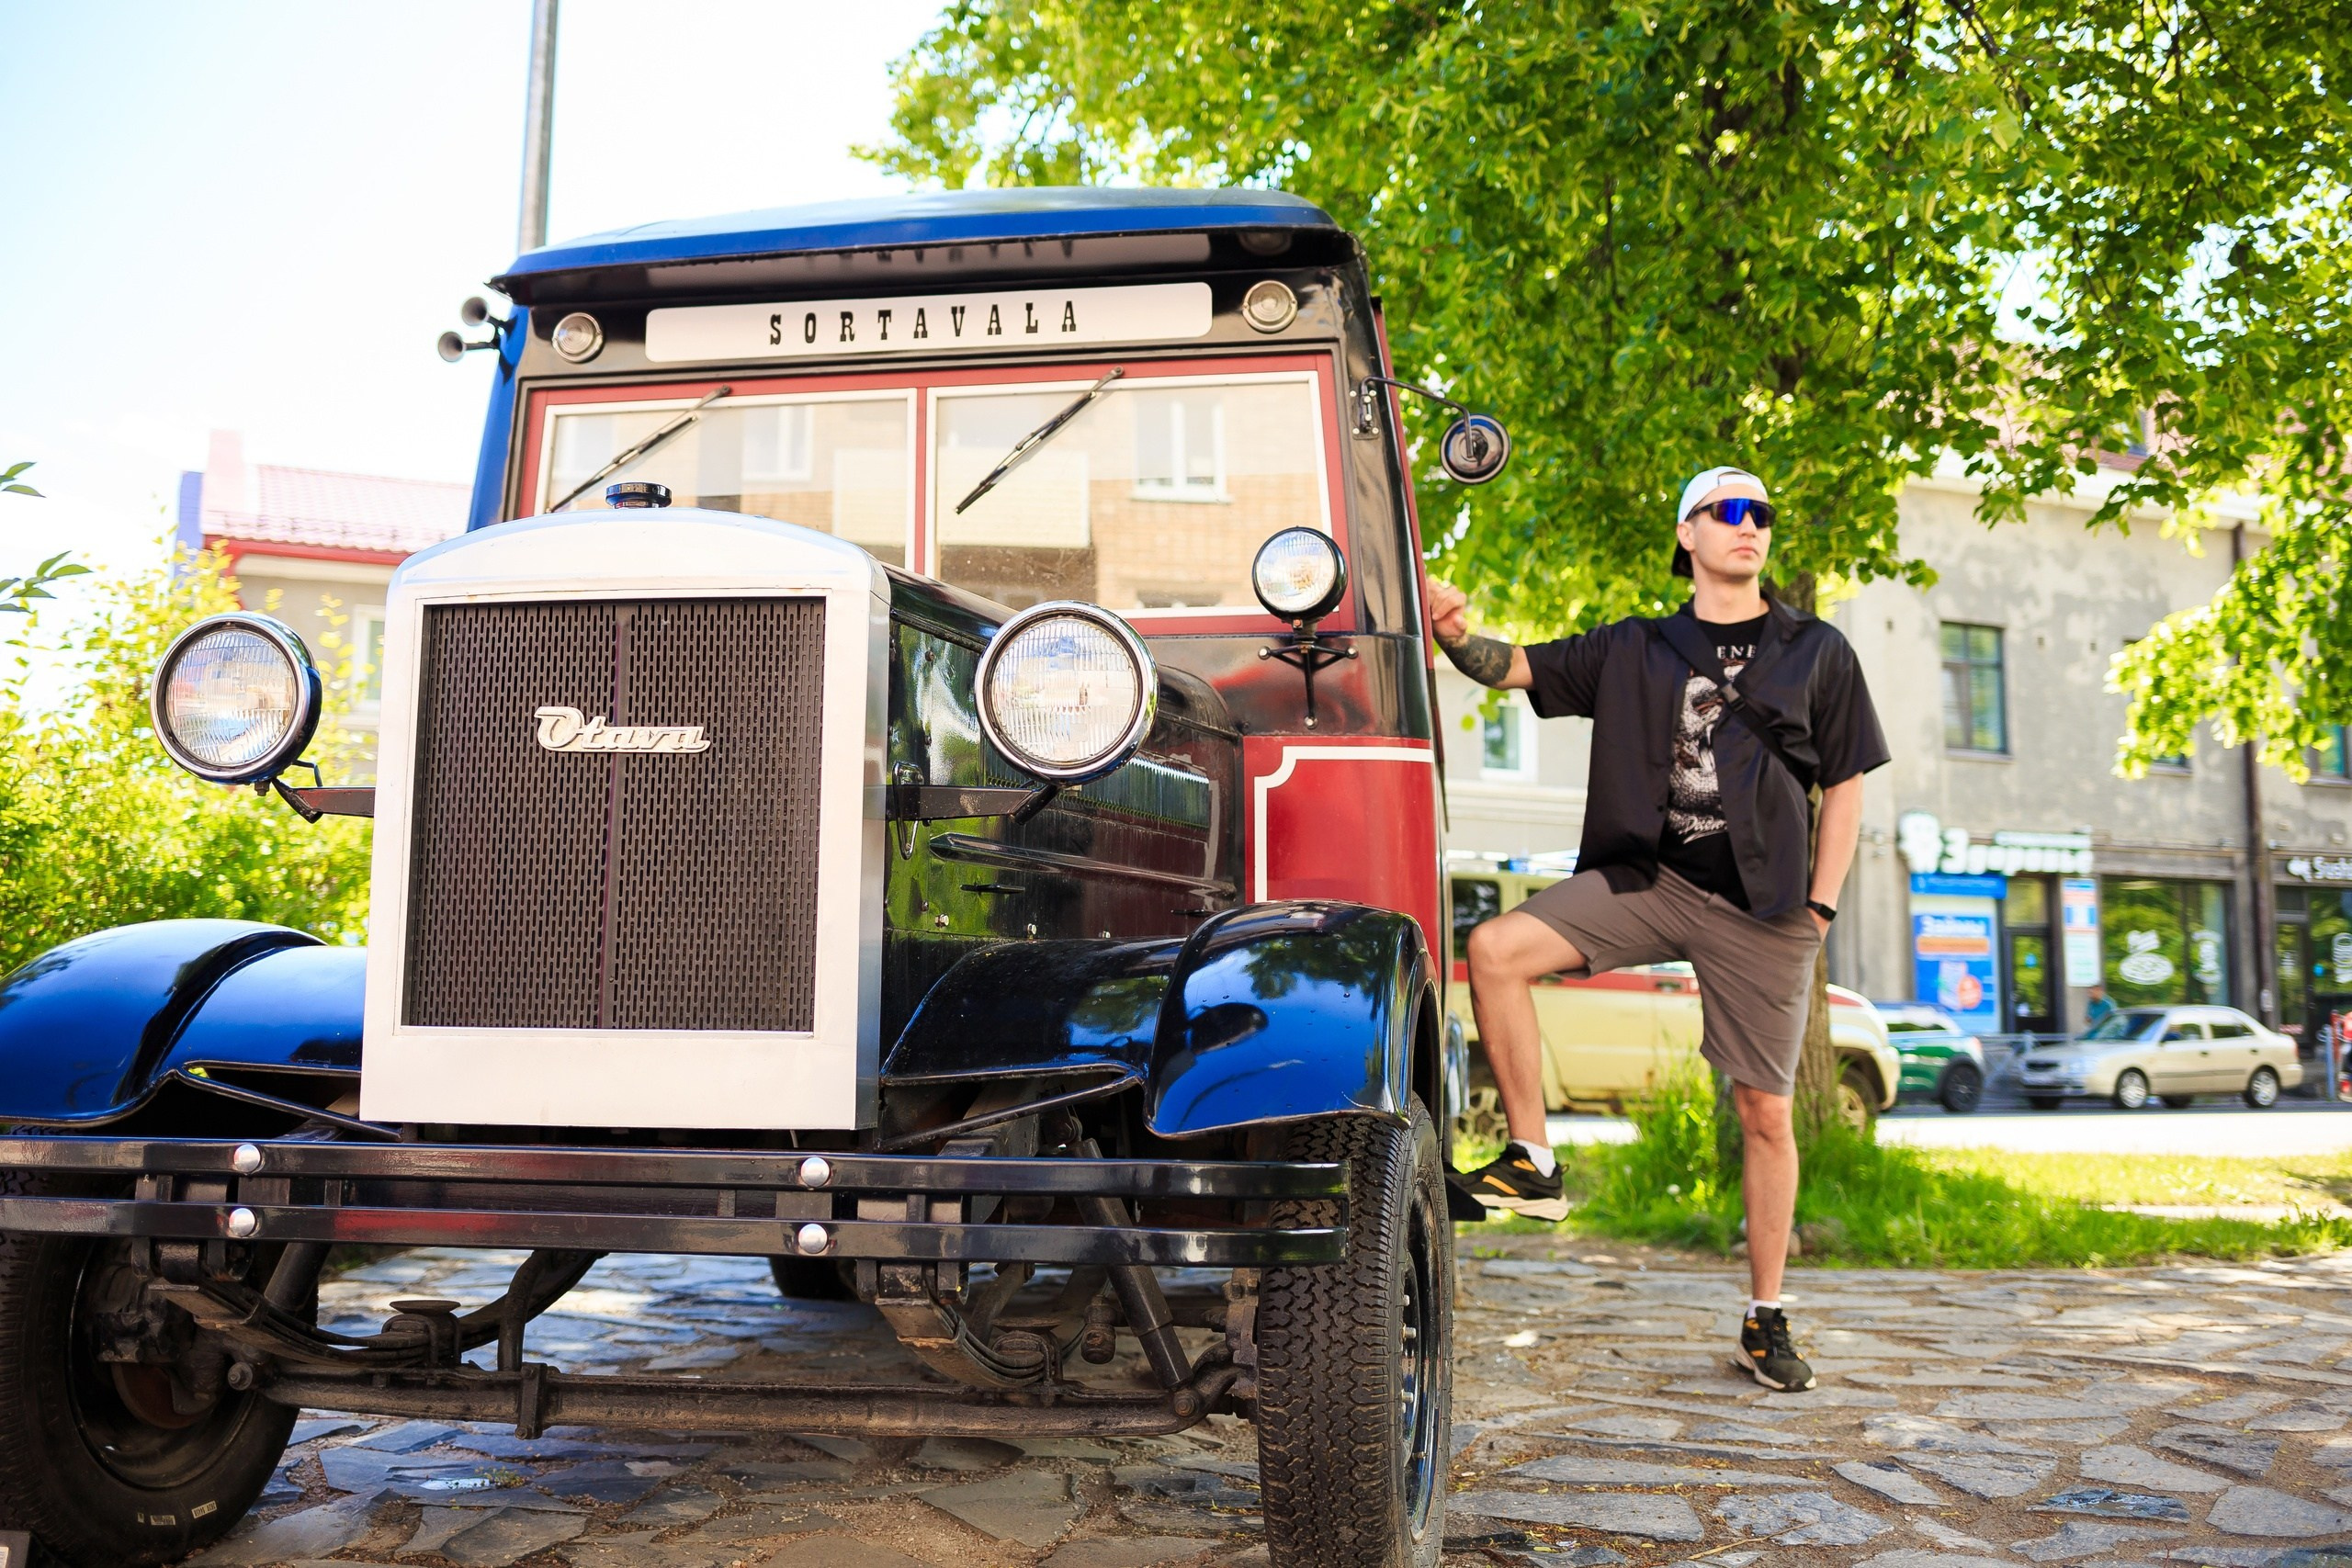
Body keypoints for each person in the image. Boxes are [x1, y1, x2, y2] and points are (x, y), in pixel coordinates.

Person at [1430, 465, 1888, 1392]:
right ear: (1687, 533)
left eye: (1761, 512)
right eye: (1728, 510)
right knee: (1495, 950)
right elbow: (1512, 666)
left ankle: (1765, 1316)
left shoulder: (1817, 650)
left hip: (1764, 906)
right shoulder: (1634, 646)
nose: (1749, 525)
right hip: (1651, 879)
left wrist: (1821, 906)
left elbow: (1845, 784)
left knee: (1765, 1114)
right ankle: (1533, 1162)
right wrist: (1450, 631)